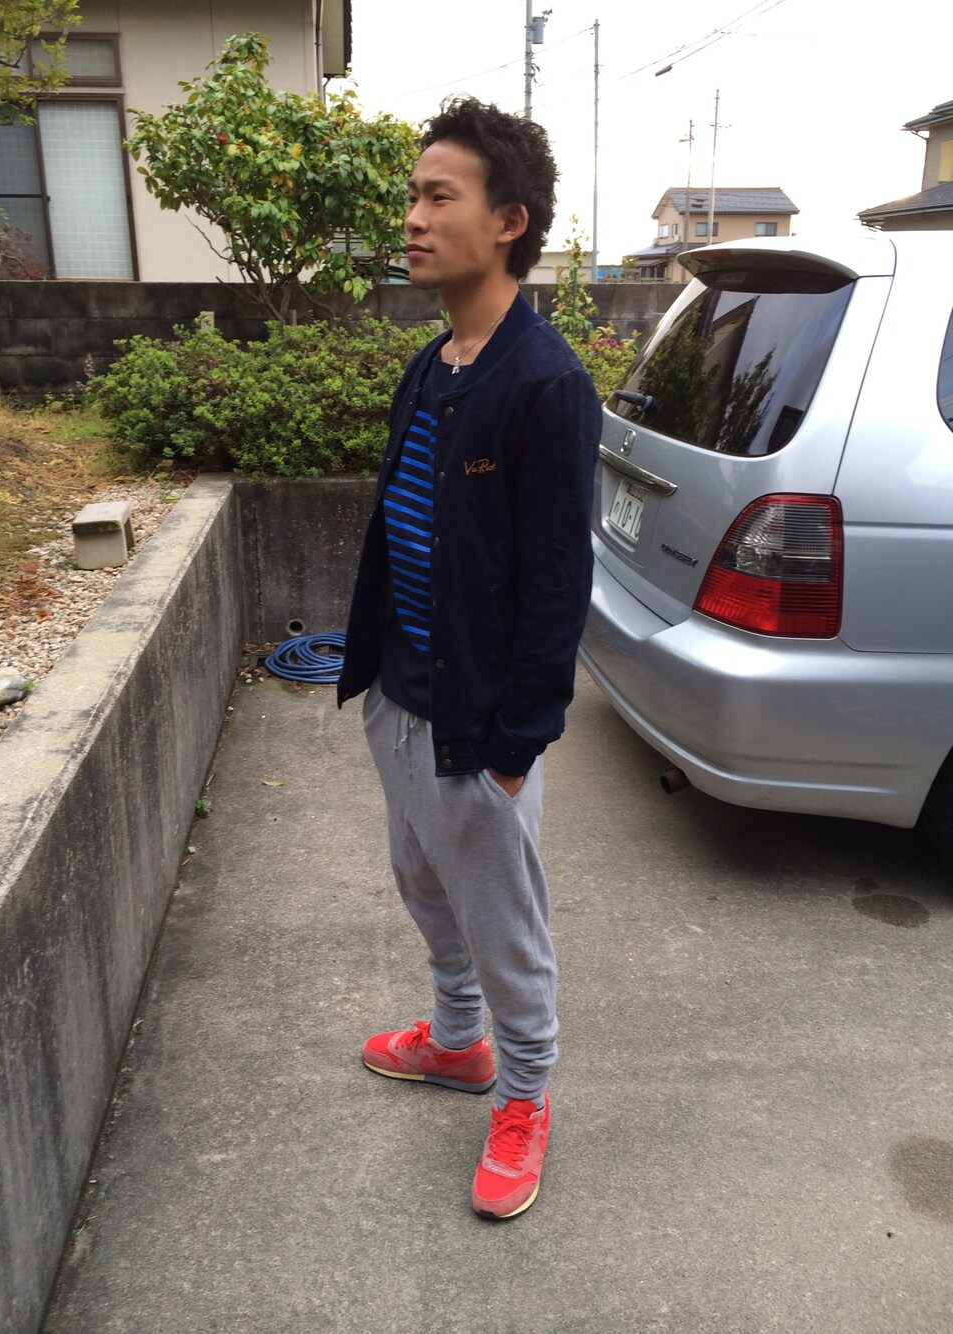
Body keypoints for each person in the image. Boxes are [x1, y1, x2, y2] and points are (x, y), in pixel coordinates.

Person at [337, 95, 601, 1220]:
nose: (412, 216)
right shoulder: (434, 361)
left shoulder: (546, 381)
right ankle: (457, 1042)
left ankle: (526, 1094)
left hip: (481, 721)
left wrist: (517, 744)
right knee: (420, 879)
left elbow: (557, 582)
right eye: (411, 194)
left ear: (508, 221)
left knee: (504, 921)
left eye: (437, 196)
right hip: (402, 695)